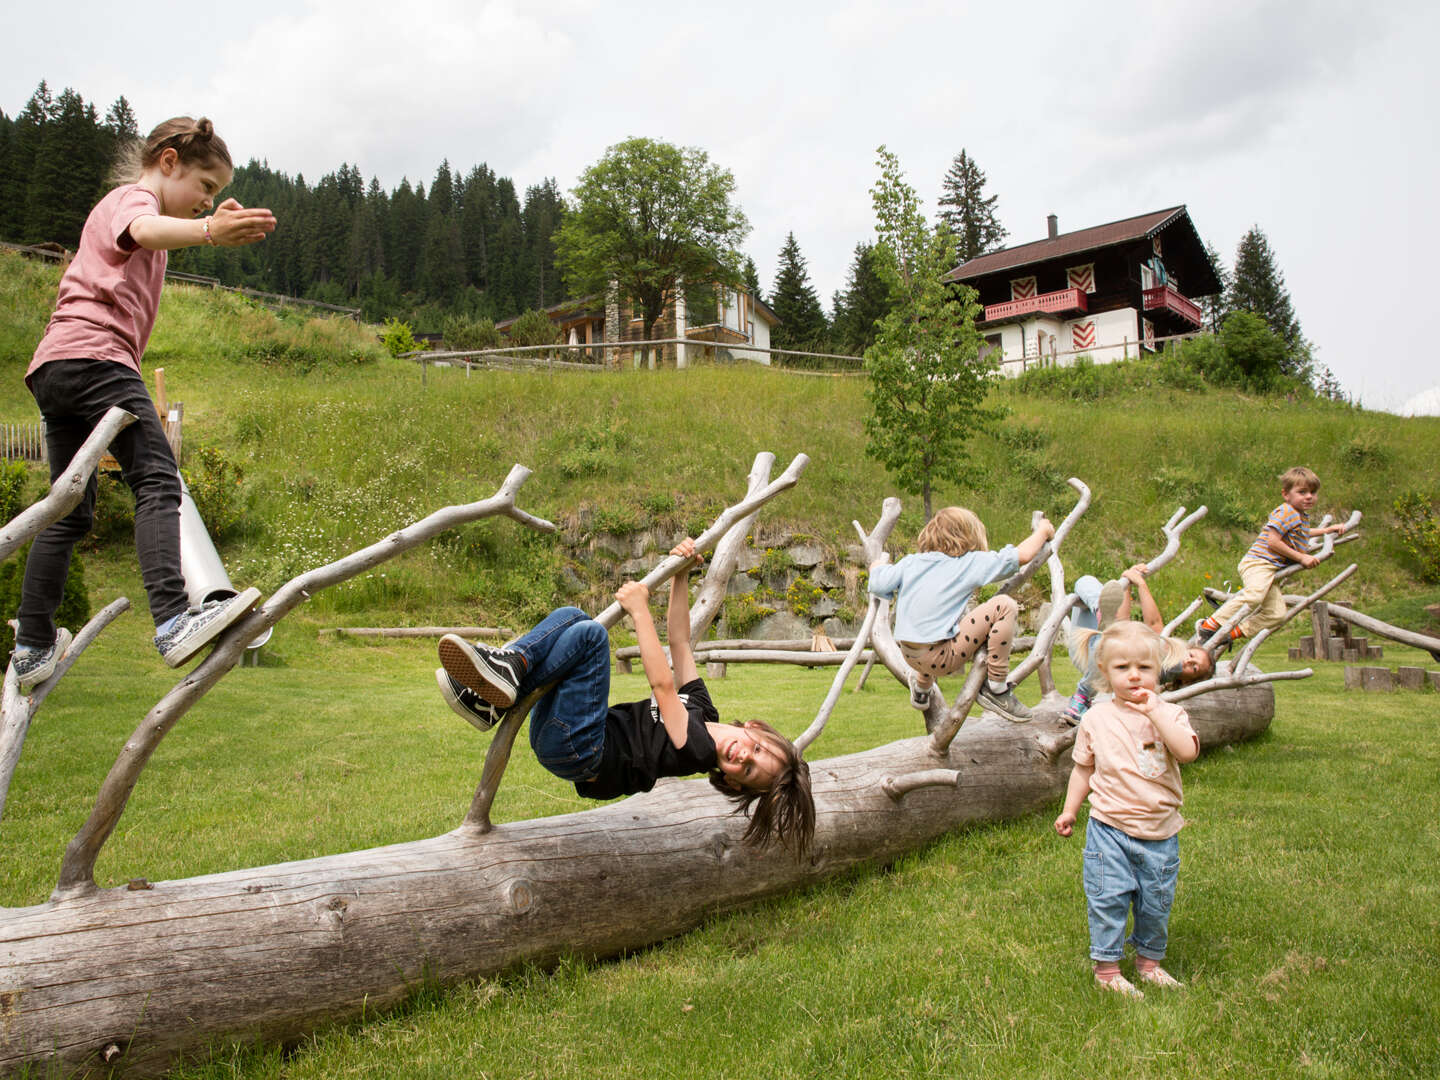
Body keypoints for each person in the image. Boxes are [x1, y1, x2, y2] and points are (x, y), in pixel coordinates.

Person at [8, 117, 276, 692]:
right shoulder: (131, 198)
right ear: (170, 162)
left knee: (70, 509)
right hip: (99, 359)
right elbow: (145, 228)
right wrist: (208, 230)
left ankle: (31, 645)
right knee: (158, 480)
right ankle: (175, 620)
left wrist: (207, 222)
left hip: (55, 367)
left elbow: (154, 233)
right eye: (206, 186)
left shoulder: (145, 215)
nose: (208, 200)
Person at [434, 539, 815, 856]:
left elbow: (663, 686)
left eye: (747, 771)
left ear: (733, 784)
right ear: (757, 730)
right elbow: (681, 643)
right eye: (759, 752)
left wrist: (639, 610)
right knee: (572, 616)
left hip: (582, 749)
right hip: (565, 735)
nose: (744, 757)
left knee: (591, 637)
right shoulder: (703, 711)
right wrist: (681, 577)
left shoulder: (697, 750)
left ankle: (506, 672)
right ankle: (496, 688)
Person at [1054, 620, 1200, 998]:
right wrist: (1070, 810)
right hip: (1110, 829)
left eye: (1144, 668)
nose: (1134, 676)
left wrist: (1157, 713)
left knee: (1156, 903)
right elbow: (1083, 768)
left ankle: (1149, 963)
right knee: (1108, 898)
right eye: (1122, 668)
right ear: (1104, 672)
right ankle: (1107, 969)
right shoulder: (1096, 719)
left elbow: (1187, 751)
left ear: (1159, 670)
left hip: (1160, 833)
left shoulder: (1170, 715)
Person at [867, 506, 1053, 722]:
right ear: (969, 537)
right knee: (1004, 605)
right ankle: (996, 688)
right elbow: (1022, 555)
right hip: (942, 659)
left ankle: (921, 688)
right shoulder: (968, 562)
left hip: (908, 654)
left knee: (932, 623)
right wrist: (1043, 531)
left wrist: (877, 566)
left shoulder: (912, 562)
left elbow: (878, 583)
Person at [1195, 466, 1346, 649]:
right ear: (1286, 494)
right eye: (1302, 492)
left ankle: (1229, 635)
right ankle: (1208, 626)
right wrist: (1301, 558)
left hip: (1270, 568)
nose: (1309, 497)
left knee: (1276, 613)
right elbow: (1273, 542)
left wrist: (1326, 530)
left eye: (1313, 493)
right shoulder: (1286, 512)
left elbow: (1303, 534)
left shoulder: (1300, 516)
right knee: (1254, 596)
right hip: (1258, 563)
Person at [1061, 564, 1214, 725]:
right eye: (1191, 656)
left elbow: (1148, 624)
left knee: (1111, 642)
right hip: (1087, 641)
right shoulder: (1166, 651)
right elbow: (1127, 622)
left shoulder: (1163, 673)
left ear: (1187, 682)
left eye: (1194, 668)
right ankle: (1100, 610)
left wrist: (1138, 582)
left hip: (1095, 660)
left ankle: (1082, 697)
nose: (1188, 661)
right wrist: (1127, 582)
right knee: (1086, 581)